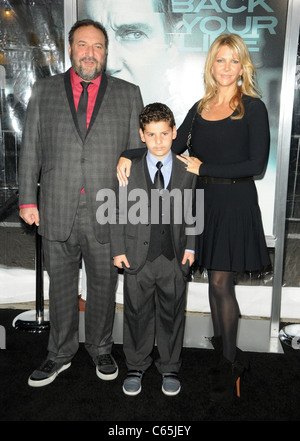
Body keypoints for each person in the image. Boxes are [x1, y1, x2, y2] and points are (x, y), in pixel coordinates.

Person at [117, 33, 271, 402]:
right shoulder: (200, 107)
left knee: (221, 284)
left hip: (234, 202)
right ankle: (225, 353)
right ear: (211, 64)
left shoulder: (253, 107)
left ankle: (230, 363)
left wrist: (206, 166)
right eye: (220, 59)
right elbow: (168, 142)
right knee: (214, 287)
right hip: (201, 204)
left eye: (234, 61)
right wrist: (127, 152)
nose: (227, 67)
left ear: (242, 66)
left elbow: (257, 164)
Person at [18, 19, 144, 387]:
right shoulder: (44, 90)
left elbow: (138, 154)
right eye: (83, 45)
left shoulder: (128, 93)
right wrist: (28, 198)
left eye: (98, 46)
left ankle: (101, 348)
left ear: (106, 51)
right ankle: (59, 353)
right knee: (60, 285)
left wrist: (133, 210)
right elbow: (31, 150)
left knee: (104, 284)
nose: (90, 53)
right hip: (56, 206)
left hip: (108, 208)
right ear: (70, 48)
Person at [110, 103, 197, 396]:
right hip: (137, 257)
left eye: (164, 133)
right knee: (136, 313)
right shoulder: (128, 169)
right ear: (141, 136)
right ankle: (135, 365)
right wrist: (119, 248)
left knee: (173, 313)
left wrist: (192, 248)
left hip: (174, 256)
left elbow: (194, 209)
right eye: (151, 134)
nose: (158, 141)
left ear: (174, 133)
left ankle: (170, 366)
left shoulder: (188, 169)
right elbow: (117, 211)